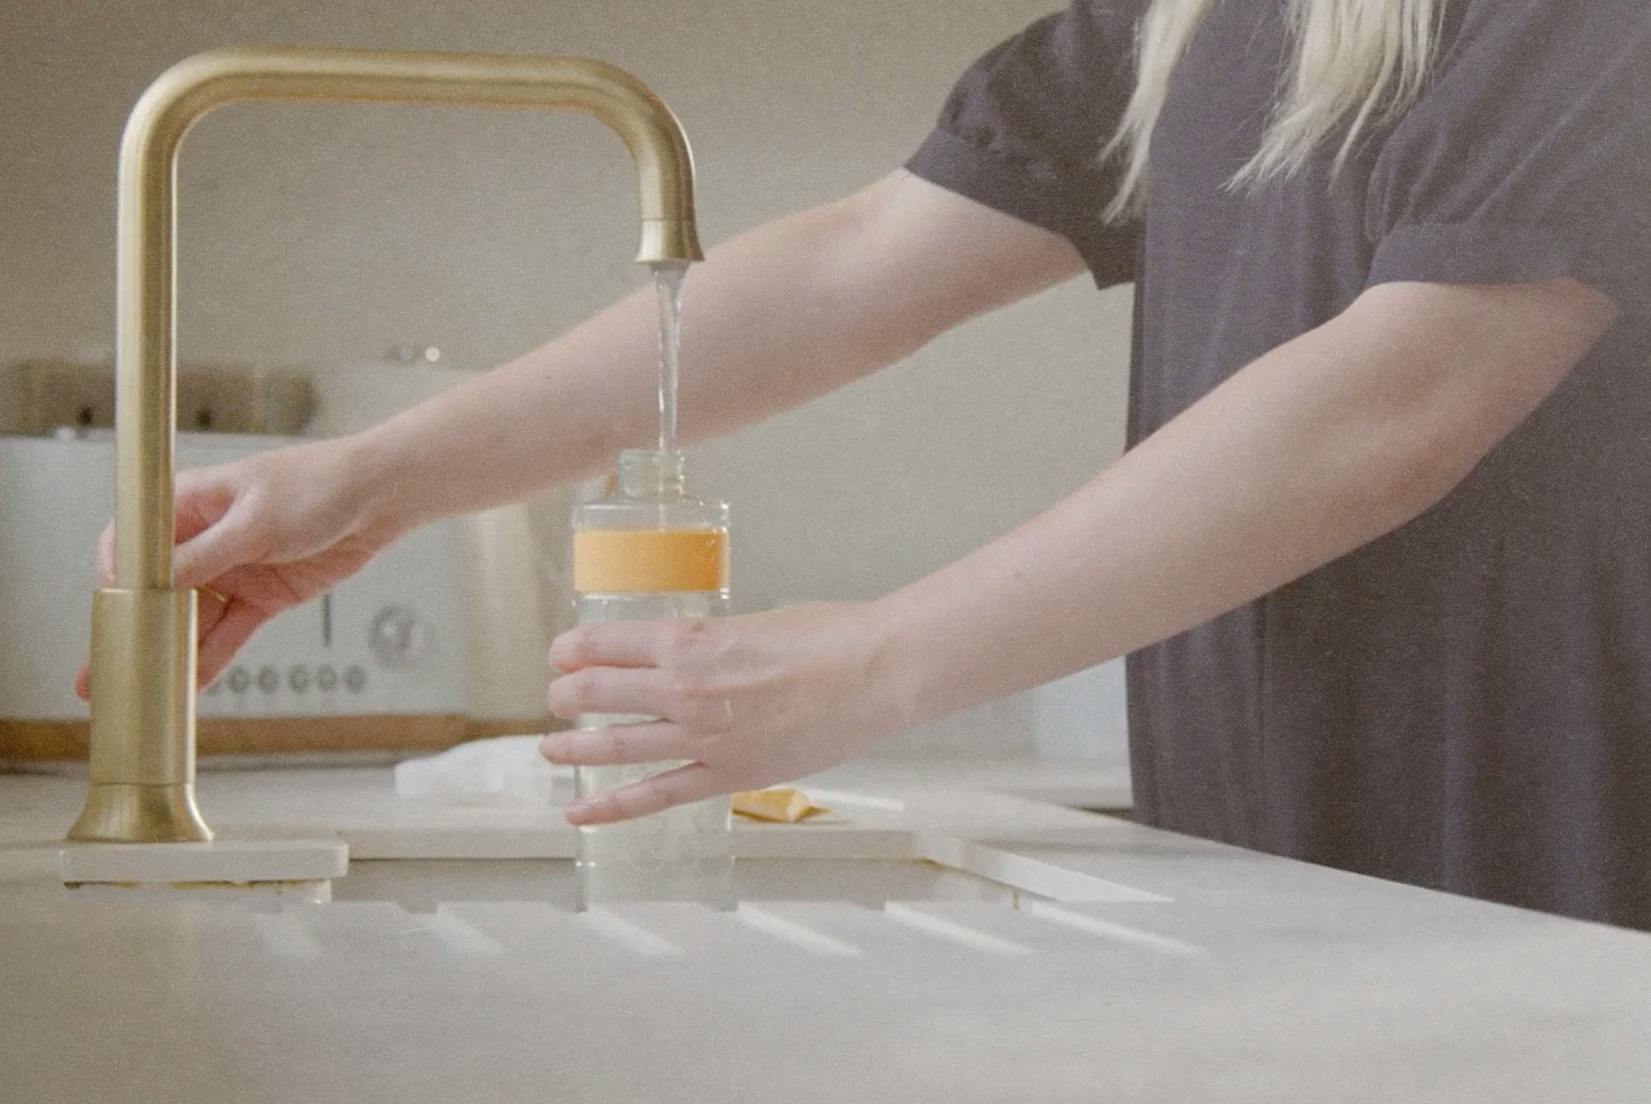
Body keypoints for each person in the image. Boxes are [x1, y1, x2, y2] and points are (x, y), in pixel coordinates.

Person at [79, 0, 1651, 929]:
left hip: (1563, 852)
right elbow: (858, 266)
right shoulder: (1204, 20)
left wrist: (869, 664)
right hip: (1295, 862)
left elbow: (1413, 383)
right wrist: (370, 480)